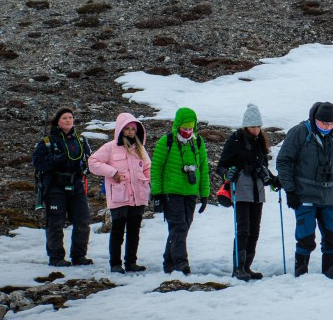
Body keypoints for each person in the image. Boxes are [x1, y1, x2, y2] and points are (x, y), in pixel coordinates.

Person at [275, 102, 333, 279]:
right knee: (306, 239)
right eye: (324, 123)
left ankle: (330, 276)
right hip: (304, 195)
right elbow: (283, 161)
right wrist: (290, 191)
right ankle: (301, 276)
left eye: (331, 124)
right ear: (315, 119)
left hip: (329, 196)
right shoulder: (300, 132)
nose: (328, 127)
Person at [216, 104, 280, 281]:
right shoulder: (235, 140)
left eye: (258, 126)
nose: (256, 130)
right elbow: (221, 166)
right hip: (242, 190)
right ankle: (238, 268)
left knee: (254, 230)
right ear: (245, 126)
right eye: (252, 126)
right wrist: (226, 174)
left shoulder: (260, 142)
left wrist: (274, 180)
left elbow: (264, 168)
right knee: (243, 229)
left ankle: (246, 266)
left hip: (258, 192)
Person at [150, 107, 210, 276]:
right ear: (177, 126)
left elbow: (203, 169)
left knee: (184, 227)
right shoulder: (166, 141)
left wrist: (204, 194)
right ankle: (181, 264)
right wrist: (157, 194)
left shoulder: (197, 142)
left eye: (191, 128)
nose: (188, 131)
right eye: (185, 128)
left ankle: (168, 261)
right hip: (171, 192)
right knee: (179, 227)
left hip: (190, 192)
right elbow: (156, 168)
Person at [88, 113, 150, 274]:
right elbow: (93, 162)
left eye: (133, 129)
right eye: (127, 129)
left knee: (134, 231)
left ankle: (131, 262)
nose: (130, 132)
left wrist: (149, 182)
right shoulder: (110, 147)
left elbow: (148, 167)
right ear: (120, 130)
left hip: (138, 196)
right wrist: (112, 172)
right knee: (117, 230)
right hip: (119, 196)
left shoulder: (139, 148)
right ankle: (115, 263)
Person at [32, 107, 94, 267]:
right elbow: (38, 163)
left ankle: (79, 256)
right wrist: (56, 159)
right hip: (55, 187)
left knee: (82, 221)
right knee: (56, 223)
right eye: (64, 118)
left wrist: (87, 167)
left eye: (70, 117)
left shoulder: (81, 141)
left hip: (77, 185)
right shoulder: (47, 142)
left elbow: (90, 160)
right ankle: (56, 257)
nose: (68, 120)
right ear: (57, 122)